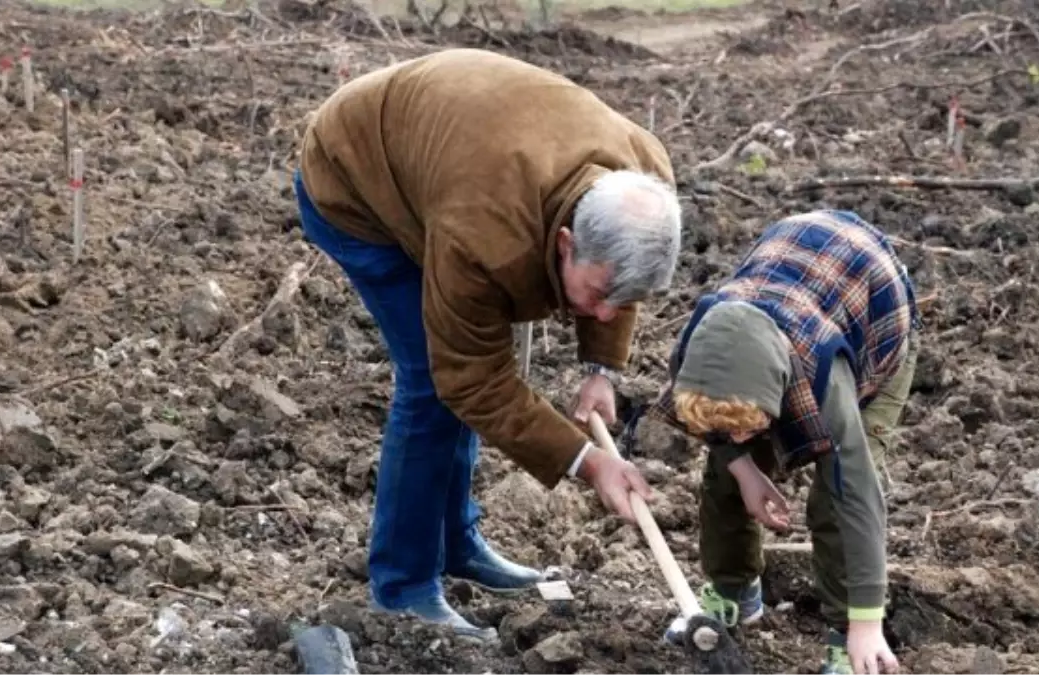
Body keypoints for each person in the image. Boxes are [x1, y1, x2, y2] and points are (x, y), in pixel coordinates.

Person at [292, 48, 682, 640]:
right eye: (599, 294)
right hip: (356, 177)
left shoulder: (644, 178)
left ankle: (456, 544)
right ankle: (403, 585)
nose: (607, 310)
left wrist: (601, 366)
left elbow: (618, 283)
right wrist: (588, 461)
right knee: (431, 381)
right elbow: (470, 377)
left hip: (453, 152)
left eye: (620, 302)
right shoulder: (486, 237)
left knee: (463, 379)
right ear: (565, 243)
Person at [653, 209, 920, 674]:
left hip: (876, 318)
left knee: (830, 503)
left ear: (774, 393)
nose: (736, 436)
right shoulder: (697, 356)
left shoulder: (826, 377)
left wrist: (866, 622)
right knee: (723, 475)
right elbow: (721, 431)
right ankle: (734, 592)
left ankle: (845, 638)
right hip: (796, 286)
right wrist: (743, 467)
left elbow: (856, 494)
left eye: (747, 425)